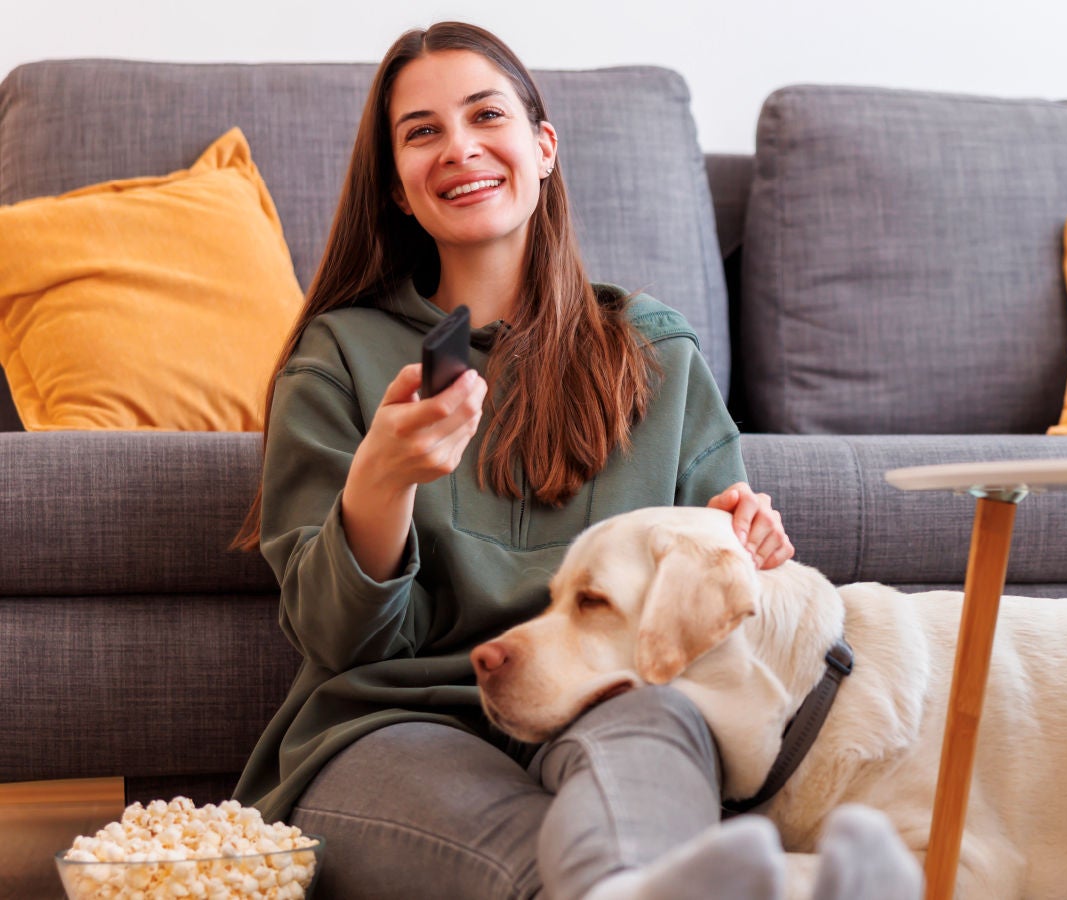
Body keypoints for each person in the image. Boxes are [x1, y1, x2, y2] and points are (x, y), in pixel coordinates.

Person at [231, 21, 920, 900]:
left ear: (543, 146)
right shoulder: (337, 358)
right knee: (546, 872)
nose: (460, 147)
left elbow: (718, 597)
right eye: (422, 131)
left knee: (646, 769)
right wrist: (382, 480)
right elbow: (339, 642)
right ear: (398, 189)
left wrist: (751, 542)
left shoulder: (654, 353)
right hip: (391, 722)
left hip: (609, 701)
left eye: (487, 115)